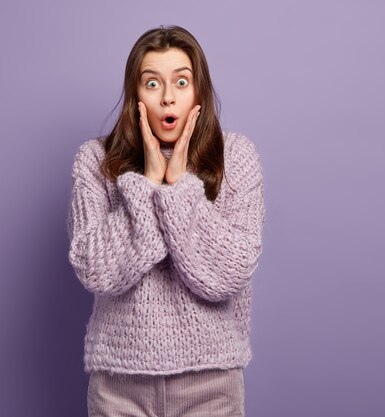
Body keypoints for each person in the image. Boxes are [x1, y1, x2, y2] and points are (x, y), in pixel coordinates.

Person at [67, 25, 264, 417]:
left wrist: (177, 188)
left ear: (199, 92)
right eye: (152, 83)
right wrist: (146, 185)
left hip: (211, 385)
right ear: (135, 94)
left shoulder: (236, 158)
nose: (168, 97)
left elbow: (227, 274)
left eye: (181, 81)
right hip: (118, 387)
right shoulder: (94, 161)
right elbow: (95, 269)